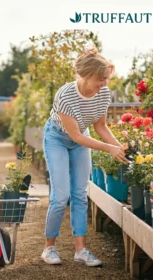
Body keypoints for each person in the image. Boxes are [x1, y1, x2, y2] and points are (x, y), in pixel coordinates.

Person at [41, 47, 128, 266]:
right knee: (60, 197)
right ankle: (49, 248)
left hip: (82, 138)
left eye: (107, 79)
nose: (105, 84)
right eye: (101, 79)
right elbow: (76, 135)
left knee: (80, 194)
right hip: (58, 139)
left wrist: (119, 147)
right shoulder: (65, 95)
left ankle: (81, 251)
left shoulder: (103, 94)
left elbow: (101, 127)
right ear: (87, 75)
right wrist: (108, 149)